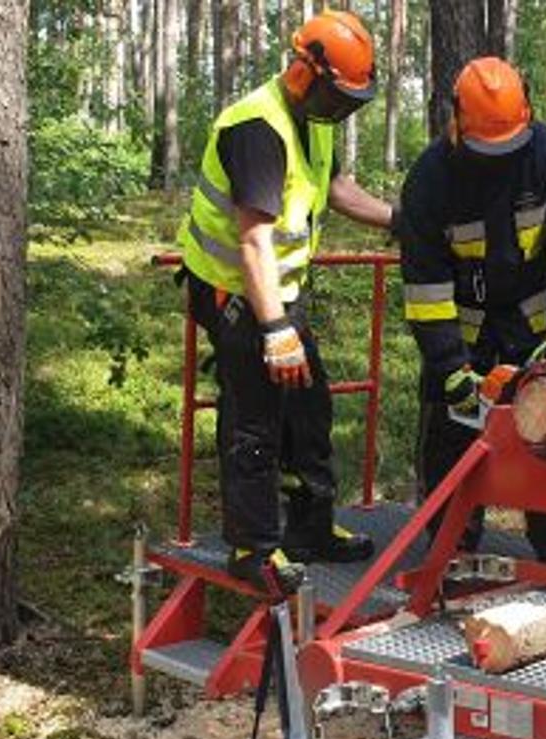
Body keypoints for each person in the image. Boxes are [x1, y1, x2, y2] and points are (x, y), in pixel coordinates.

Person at [176, 10, 394, 599]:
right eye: (337, 95)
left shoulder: (314, 121)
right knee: (256, 415)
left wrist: (400, 221)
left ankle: (309, 528)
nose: (342, 109)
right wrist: (275, 330)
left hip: (275, 289)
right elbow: (252, 242)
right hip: (233, 288)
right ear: (305, 72)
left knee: (309, 402)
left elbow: (338, 188)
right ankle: (253, 548)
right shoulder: (257, 127)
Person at [395, 57, 546, 566]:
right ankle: (452, 551)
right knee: (450, 443)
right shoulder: (430, 181)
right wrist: (448, 367)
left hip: (536, 330)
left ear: (528, 112)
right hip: (463, 333)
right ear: (455, 121)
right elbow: (426, 288)